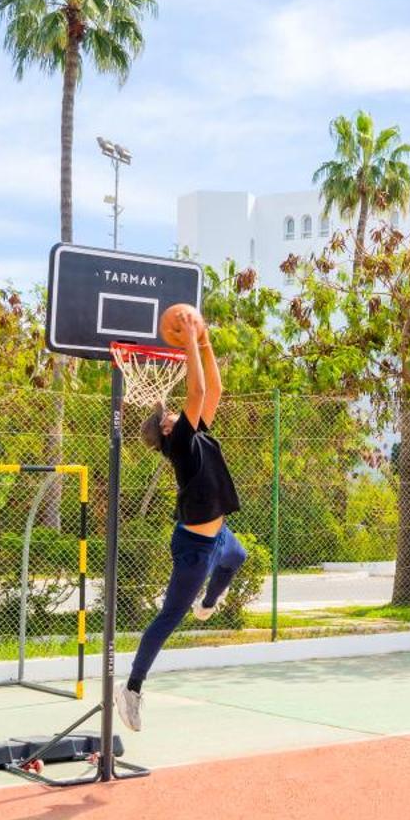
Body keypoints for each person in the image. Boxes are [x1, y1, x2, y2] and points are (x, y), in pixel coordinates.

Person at [115, 308, 245, 733]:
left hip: (218, 536)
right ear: (168, 431)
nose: (176, 413)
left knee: (236, 556)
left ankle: (207, 603)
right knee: (168, 618)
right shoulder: (183, 445)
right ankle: (132, 688)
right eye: (169, 416)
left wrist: (205, 340)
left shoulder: (196, 432)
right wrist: (190, 339)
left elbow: (215, 389)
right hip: (194, 549)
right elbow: (198, 389)